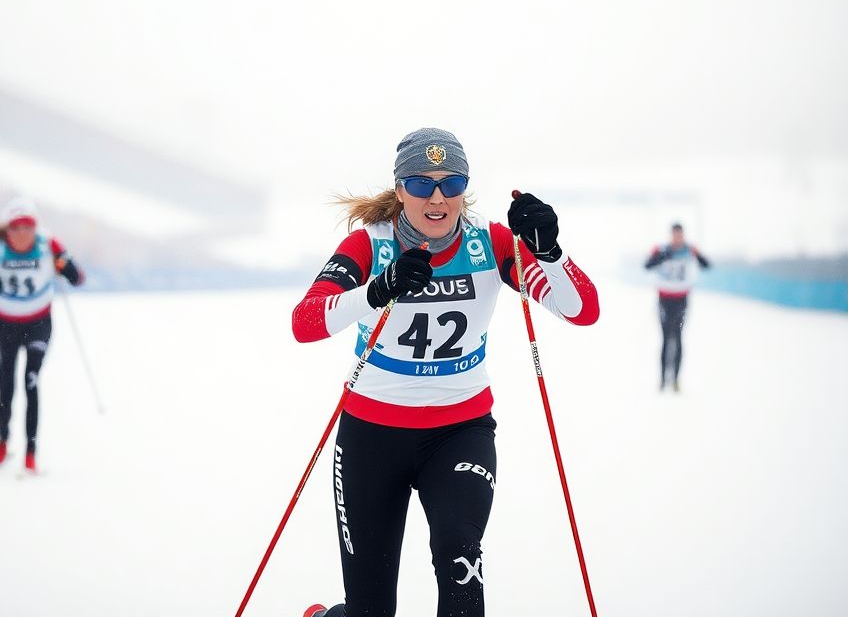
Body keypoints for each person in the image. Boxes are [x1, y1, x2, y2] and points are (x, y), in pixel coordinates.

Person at [292, 128, 599, 617]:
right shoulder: (370, 245)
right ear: (399, 190)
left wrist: (550, 252)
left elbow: (581, 309)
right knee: (370, 610)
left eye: (451, 184)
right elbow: (304, 323)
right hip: (372, 435)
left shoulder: (491, 242)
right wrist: (376, 290)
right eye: (420, 184)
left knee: (461, 569)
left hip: (460, 433)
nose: (437, 198)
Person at [0, 197, 84, 473]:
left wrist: (65, 268)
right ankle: (2, 441)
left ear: (36, 227)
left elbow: (78, 278)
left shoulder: (47, 245)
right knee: (6, 388)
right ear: (7, 229)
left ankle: (31, 453)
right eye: (16, 227)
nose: (22, 233)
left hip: (38, 323)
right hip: (5, 325)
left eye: (28, 227)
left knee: (31, 383)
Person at [644, 222, 710, 392]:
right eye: (674, 234)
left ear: (683, 235)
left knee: (678, 336)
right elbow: (647, 265)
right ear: (671, 235)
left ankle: (676, 379)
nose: (677, 238)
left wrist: (697, 254)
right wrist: (662, 257)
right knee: (666, 338)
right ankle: (662, 379)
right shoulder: (661, 249)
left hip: (681, 300)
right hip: (664, 299)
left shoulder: (689, 250)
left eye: (680, 235)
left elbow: (706, 265)